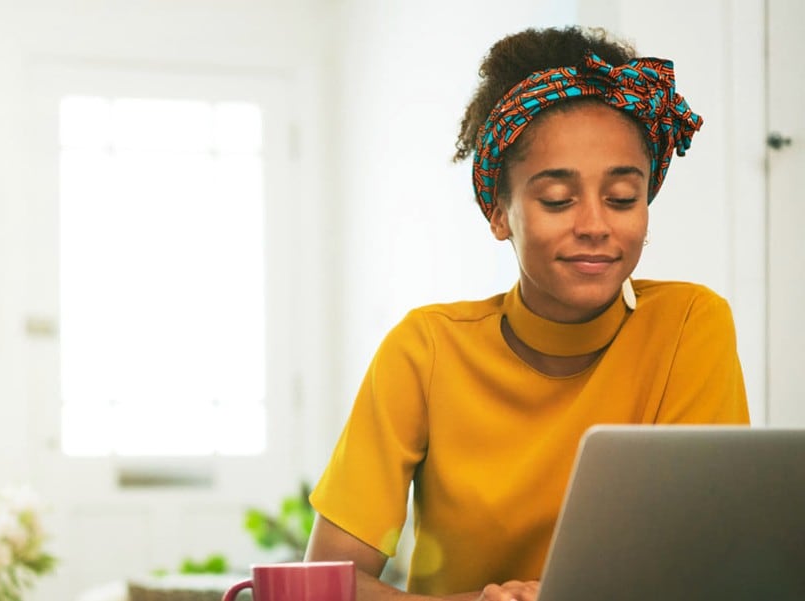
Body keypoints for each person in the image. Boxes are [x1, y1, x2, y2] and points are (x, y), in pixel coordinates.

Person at [303, 26, 750, 601]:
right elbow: (319, 585)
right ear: (498, 212)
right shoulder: (426, 349)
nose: (594, 225)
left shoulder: (690, 324)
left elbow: (709, 566)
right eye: (557, 200)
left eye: (622, 198)